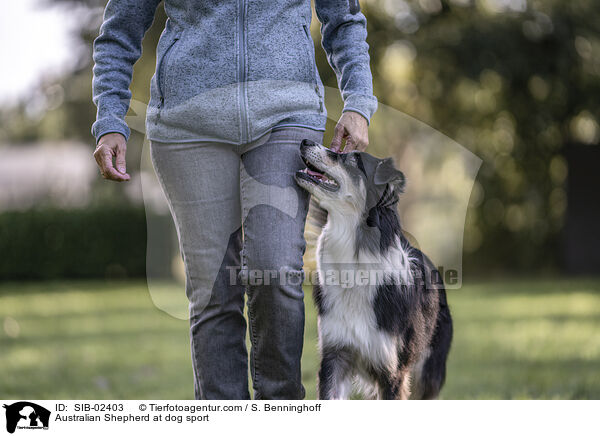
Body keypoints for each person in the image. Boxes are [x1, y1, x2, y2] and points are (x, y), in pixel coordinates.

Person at [91, 0, 378, 400]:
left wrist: (358, 101)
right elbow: (118, 31)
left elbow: (344, 19)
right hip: (188, 126)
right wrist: (109, 120)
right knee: (212, 293)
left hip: (285, 115)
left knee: (274, 270)